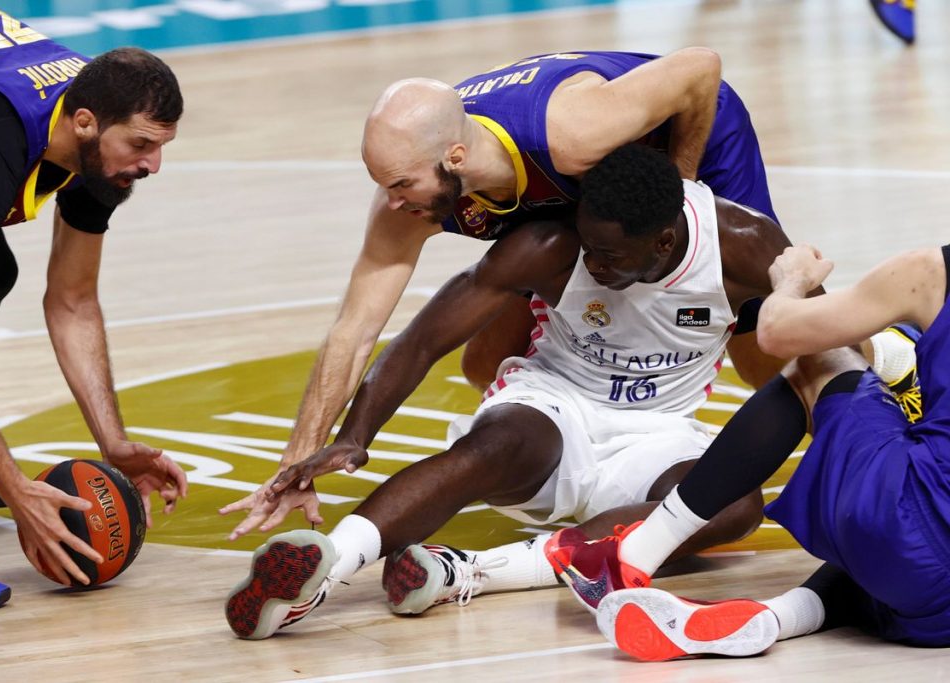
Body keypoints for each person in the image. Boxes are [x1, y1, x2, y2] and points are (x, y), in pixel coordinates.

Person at [222, 144, 800, 640]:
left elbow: (830, 354)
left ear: (664, 241)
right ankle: (326, 566)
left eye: (610, 255)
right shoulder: (550, 245)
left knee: (736, 505)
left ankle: (469, 570)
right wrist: (354, 436)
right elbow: (424, 339)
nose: (592, 263)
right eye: (587, 246)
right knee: (491, 446)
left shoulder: (746, 247)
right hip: (555, 401)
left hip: (661, 430)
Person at [222, 48, 798, 537]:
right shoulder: (412, 191)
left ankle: (858, 439)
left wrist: (680, 196)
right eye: (382, 184)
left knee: (761, 338)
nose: (391, 202)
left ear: (454, 159)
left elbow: (701, 70)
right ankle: (579, 453)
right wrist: (294, 464)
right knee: (486, 361)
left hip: (684, 141)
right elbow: (354, 329)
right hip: (578, 195)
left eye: (400, 184)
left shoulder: (575, 138)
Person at [0, 3, 188, 613]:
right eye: (143, 144)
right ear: (88, 122)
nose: (153, 165)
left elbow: (73, 302)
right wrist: (17, 491)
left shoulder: (94, 149)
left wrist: (114, 443)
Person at [583, 243, 950, 659]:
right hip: (938, 615)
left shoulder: (929, 270)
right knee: (889, 571)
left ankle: (632, 554)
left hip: (909, 524)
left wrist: (792, 280)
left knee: (820, 359)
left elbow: (779, 333)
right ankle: (771, 617)